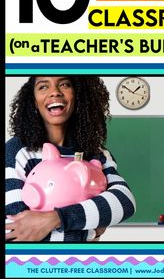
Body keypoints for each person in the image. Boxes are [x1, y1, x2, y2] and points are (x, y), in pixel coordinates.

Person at [5, 76, 136, 242]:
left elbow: (124, 202)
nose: (54, 92)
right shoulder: (18, 151)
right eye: (43, 87)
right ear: (33, 102)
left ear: (78, 95)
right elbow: (18, 230)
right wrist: (90, 230)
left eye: (64, 84)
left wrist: (56, 218)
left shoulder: (96, 154)